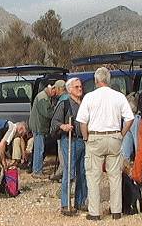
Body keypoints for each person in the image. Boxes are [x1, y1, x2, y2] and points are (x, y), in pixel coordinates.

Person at [76, 67, 134, 220]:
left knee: (93, 177)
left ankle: (94, 213)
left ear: (96, 81)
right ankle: (116, 211)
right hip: (114, 137)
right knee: (115, 176)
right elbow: (130, 118)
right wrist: (121, 134)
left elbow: (82, 121)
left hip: (95, 137)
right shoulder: (119, 96)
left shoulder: (89, 97)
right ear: (109, 80)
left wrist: (86, 138)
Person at [51, 78, 87, 215]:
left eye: (80, 86)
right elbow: (55, 122)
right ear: (69, 89)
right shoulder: (64, 104)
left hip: (83, 140)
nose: (80, 88)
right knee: (70, 171)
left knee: (82, 172)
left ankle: (80, 201)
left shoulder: (84, 103)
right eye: (76, 87)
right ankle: (65, 204)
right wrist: (63, 126)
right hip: (69, 140)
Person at [29, 81, 59, 178]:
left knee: (38, 148)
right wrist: (56, 112)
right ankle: (37, 171)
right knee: (39, 149)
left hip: (39, 126)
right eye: (55, 92)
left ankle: (35, 169)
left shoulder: (44, 96)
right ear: (52, 89)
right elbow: (47, 113)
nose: (55, 95)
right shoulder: (43, 98)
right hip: (39, 127)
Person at [49, 80, 67, 181]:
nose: (54, 90)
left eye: (55, 88)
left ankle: (63, 175)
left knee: (63, 154)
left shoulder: (62, 100)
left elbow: (57, 118)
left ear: (60, 89)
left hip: (62, 132)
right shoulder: (67, 98)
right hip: (65, 131)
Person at [121, 90, 142, 162]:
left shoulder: (127, 95)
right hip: (136, 119)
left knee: (126, 148)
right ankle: (139, 166)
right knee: (138, 145)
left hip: (126, 119)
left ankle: (125, 166)